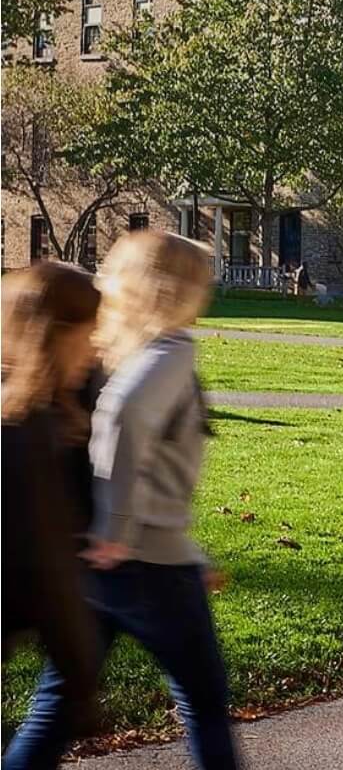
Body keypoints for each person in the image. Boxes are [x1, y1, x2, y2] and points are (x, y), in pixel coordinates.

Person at [8, 231, 240, 769]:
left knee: (59, 703)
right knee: (204, 701)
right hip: (149, 562)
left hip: (102, 560)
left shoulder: (123, 352)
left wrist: (117, 533)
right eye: (201, 282)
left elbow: (138, 457)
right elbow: (123, 417)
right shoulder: (172, 350)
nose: (207, 293)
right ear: (176, 291)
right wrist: (121, 528)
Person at [3, 263, 104, 752]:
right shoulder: (25, 433)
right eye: (89, 337)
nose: (95, 351)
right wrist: (80, 678)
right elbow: (48, 574)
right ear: (55, 336)